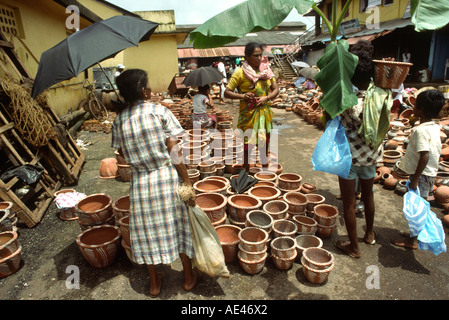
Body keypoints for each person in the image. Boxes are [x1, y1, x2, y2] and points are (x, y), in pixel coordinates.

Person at [111, 69, 198, 297]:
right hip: (166, 178)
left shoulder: (119, 121)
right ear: (143, 91)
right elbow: (174, 151)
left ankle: (155, 283)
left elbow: (121, 152)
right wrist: (187, 181)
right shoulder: (159, 112)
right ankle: (188, 277)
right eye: (147, 85)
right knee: (179, 227)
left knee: (148, 232)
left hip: (141, 184)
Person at [334, 40, 380, 258]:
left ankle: (354, 247)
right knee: (368, 195)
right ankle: (369, 233)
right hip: (370, 156)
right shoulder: (378, 97)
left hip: (350, 157)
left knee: (349, 203)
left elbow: (336, 120)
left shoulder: (347, 99)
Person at [390, 90, 446, 250]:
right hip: (429, 173)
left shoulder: (421, 131)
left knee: (417, 207)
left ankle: (413, 241)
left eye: (415, 105)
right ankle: (415, 234)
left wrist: (415, 178)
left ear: (420, 109)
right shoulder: (433, 127)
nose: (412, 106)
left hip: (421, 174)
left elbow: (424, 156)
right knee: (419, 205)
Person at [224, 42, 279, 171]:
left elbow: (276, 89)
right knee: (248, 144)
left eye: (260, 55)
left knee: (264, 143)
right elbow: (226, 92)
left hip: (264, 113)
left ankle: (265, 171)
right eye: (255, 55)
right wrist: (242, 96)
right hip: (248, 114)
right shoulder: (240, 73)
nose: (259, 58)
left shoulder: (266, 71)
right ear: (247, 57)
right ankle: (246, 171)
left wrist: (267, 97)